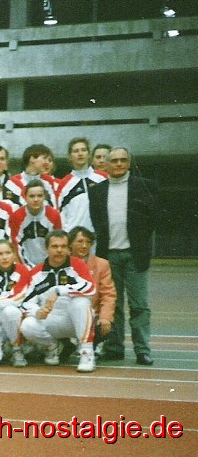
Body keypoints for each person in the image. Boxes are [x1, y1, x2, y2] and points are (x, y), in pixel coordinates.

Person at [88, 147, 159, 366]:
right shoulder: (97, 191)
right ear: (106, 164)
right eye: (114, 160)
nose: (118, 164)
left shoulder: (145, 186)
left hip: (135, 255)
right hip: (108, 256)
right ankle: (114, 347)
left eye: (123, 160)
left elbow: (152, 219)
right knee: (112, 304)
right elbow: (97, 222)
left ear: (129, 163)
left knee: (139, 305)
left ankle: (142, 350)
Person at [19, 230, 98, 372]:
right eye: (55, 246)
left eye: (63, 246)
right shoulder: (36, 273)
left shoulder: (78, 265)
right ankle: (53, 347)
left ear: (69, 249)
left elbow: (90, 287)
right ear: (47, 248)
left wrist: (60, 290)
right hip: (50, 320)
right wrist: (37, 312)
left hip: (73, 320)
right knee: (27, 325)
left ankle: (86, 353)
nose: (59, 250)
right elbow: (26, 302)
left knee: (81, 301)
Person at [0, 239, 32, 367]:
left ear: (14, 254)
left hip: (16, 321)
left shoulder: (23, 271)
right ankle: (2, 347)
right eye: (0, 254)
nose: (4, 257)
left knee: (10, 310)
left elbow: (18, 298)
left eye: (7, 253)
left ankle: (16, 348)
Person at [69, 227, 116, 356]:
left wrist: (105, 317)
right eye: (79, 241)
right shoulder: (62, 263)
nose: (84, 246)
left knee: (107, 324)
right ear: (70, 243)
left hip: (92, 314)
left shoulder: (102, 264)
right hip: (67, 314)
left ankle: (92, 344)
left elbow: (108, 295)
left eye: (88, 242)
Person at [57, 137, 106, 231]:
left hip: (99, 236)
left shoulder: (103, 178)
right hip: (73, 238)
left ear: (89, 154)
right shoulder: (63, 184)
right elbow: (60, 215)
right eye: (76, 151)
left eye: (83, 150)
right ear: (70, 157)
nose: (80, 154)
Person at [10, 180, 62, 266]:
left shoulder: (54, 215)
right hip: (25, 264)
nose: (36, 199)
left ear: (44, 197)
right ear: (25, 197)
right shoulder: (17, 217)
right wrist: (26, 267)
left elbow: (57, 243)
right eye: (32, 196)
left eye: (39, 196)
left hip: (49, 264)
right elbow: (16, 245)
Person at [2, 144, 58, 209]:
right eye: (44, 158)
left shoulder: (48, 181)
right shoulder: (12, 183)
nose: (47, 162)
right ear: (32, 159)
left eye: (49, 160)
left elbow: (54, 209)